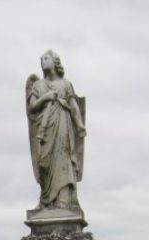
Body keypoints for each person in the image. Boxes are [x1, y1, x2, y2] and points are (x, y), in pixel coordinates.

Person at [26, 50, 86, 211]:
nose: (42, 62)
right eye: (41, 60)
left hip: (62, 125)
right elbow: (32, 107)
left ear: (55, 62)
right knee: (44, 163)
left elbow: (73, 105)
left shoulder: (66, 84)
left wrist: (79, 124)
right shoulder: (38, 86)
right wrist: (46, 97)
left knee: (63, 159)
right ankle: (46, 200)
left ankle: (63, 200)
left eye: (46, 59)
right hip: (44, 129)